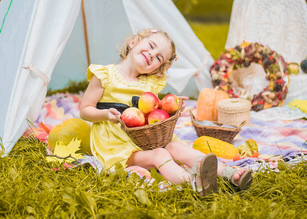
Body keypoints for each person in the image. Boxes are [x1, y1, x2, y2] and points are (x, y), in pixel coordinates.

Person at [80, 28, 252, 196]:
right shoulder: (105, 75)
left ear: (157, 68)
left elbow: (151, 112)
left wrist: (170, 106)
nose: (152, 54)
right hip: (115, 145)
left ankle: (227, 173)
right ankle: (192, 182)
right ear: (133, 42)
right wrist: (106, 115)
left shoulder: (149, 83)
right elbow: (85, 110)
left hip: (142, 138)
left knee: (176, 147)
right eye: (151, 45)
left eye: (158, 58)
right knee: (160, 154)